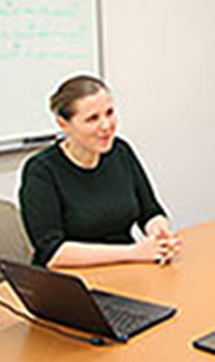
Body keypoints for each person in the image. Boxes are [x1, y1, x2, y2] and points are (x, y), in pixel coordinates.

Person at [19, 75, 180, 268]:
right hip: (72, 280)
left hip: (126, 269)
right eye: (92, 119)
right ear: (63, 124)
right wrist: (133, 252)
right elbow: (52, 252)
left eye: (109, 113)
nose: (106, 126)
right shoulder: (41, 171)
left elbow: (150, 211)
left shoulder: (120, 151)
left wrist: (158, 231)